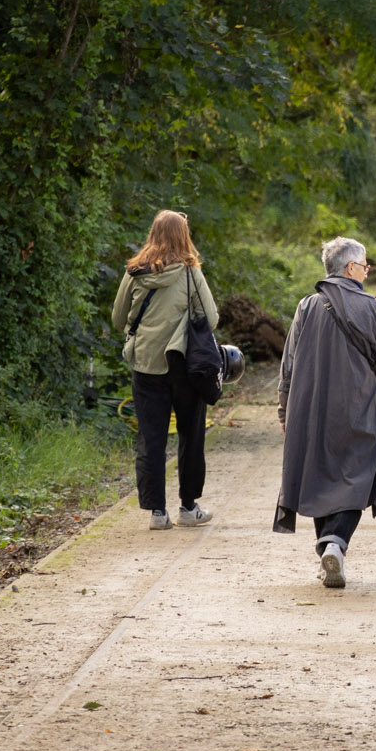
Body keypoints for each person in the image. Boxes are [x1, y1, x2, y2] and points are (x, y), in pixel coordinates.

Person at [274, 237, 376, 589]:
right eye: (364, 265)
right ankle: (336, 543)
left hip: (310, 406)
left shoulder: (307, 306)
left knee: (319, 475)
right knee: (358, 473)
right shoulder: (371, 306)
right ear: (350, 269)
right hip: (359, 403)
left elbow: (289, 362)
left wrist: (285, 408)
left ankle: (328, 549)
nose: (367, 270)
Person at [110, 209, 221, 531]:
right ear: (183, 235)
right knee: (191, 434)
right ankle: (188, 507)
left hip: (145, 364)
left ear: (153, 233)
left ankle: (157, 513)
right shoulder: (189, 273)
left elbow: (119, 319)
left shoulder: (134, 272)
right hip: (185, 365)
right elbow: (210, 318)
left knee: (151, 438)